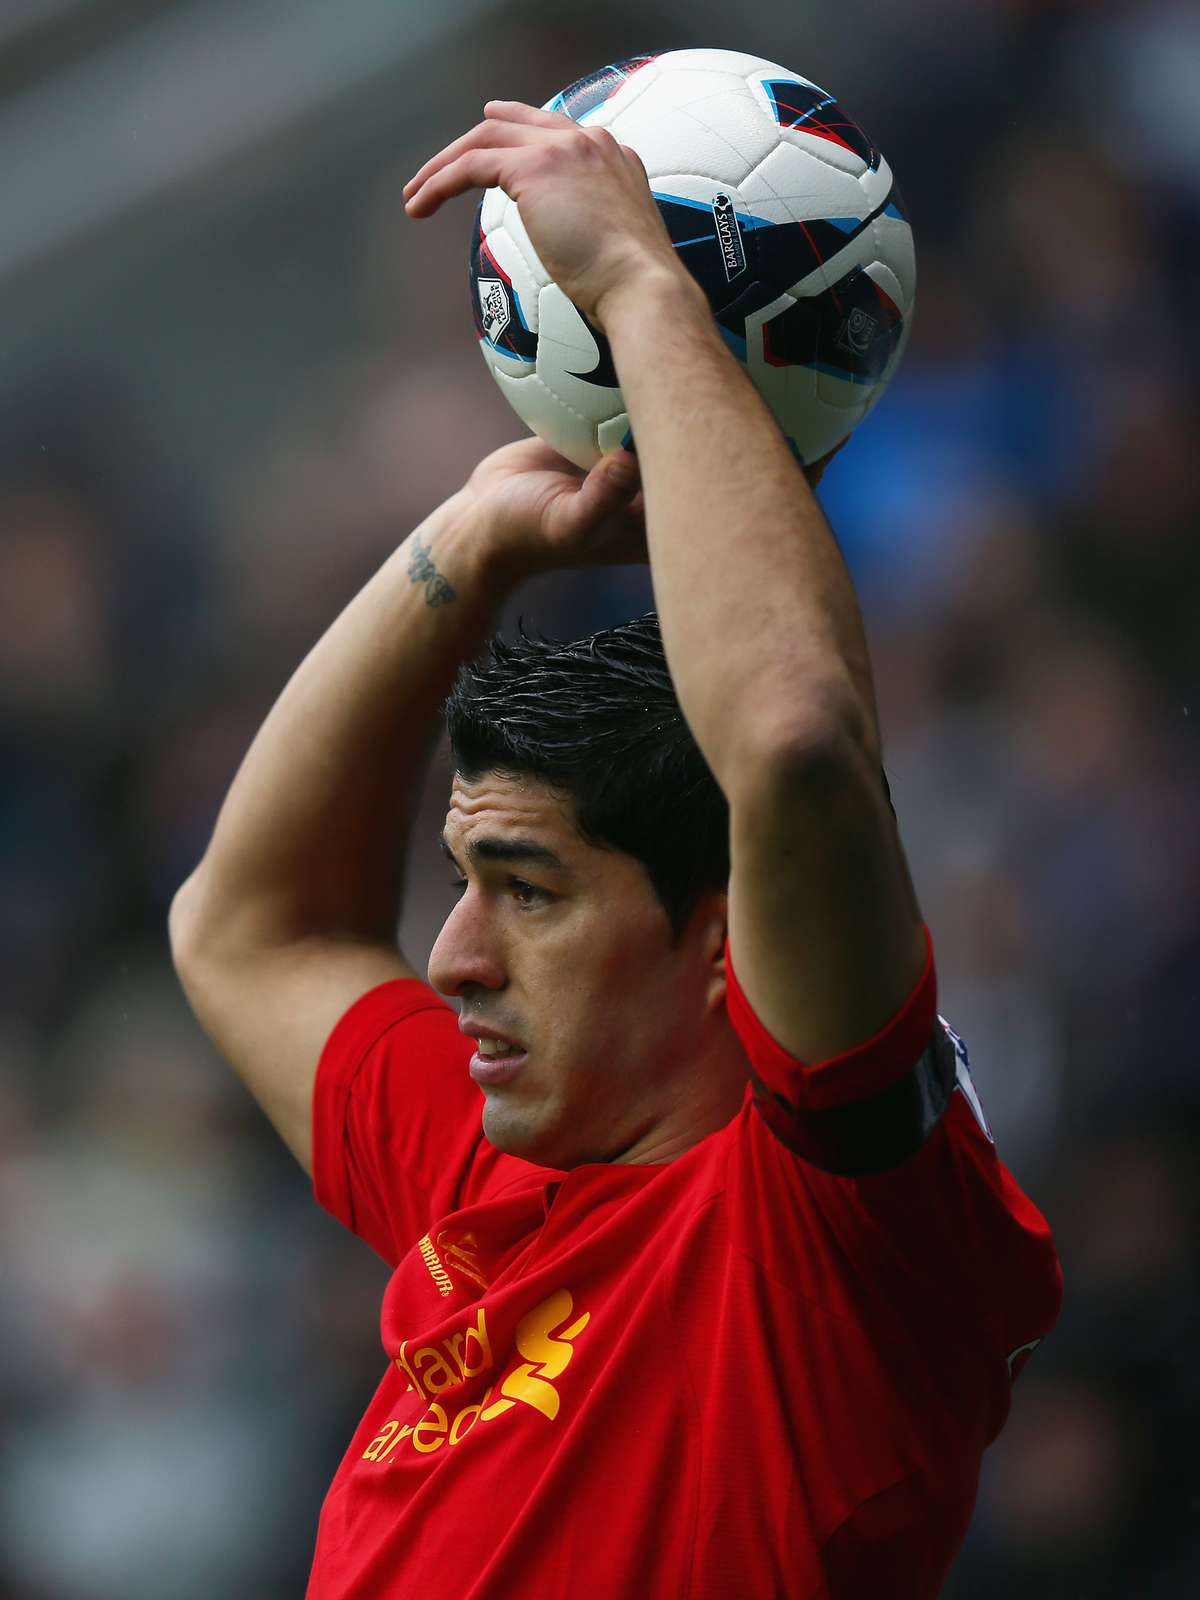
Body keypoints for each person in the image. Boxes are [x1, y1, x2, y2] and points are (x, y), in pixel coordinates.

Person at [170, 101, 1062, 1599]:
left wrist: (650, 291)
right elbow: (245, 926)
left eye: (527, 892)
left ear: (729, 940)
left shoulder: (831, 1242)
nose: (450, 960)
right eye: (465, 883)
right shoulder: (489, 1175)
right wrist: (467, 547)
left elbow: (791, 748)